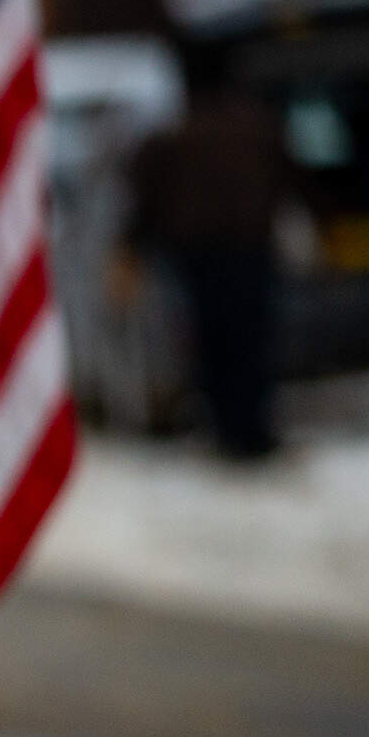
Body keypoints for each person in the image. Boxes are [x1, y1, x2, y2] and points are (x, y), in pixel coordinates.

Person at [125, 83, 291, 460]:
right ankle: (253, 430)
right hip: (249, 248)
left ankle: (228, 429)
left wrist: (133, 241)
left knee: (214, 342)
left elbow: (146, 191)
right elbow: (290, 176)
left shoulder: (177, 134)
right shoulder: (256, 128)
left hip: (201, 253)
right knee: (250, 341)